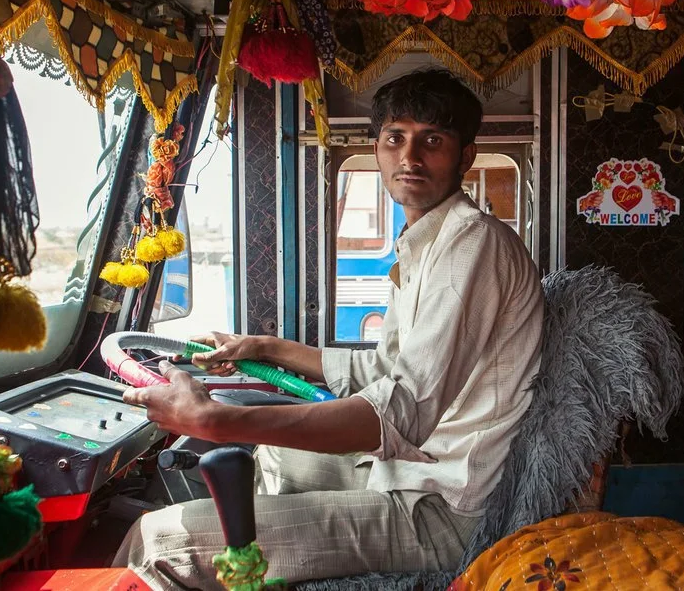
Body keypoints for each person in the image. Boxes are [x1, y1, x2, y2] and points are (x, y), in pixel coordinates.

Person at [114, 69, 545, 588]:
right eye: (395, 139)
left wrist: (214, 421)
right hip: (407, 470)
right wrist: (266, 347)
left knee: (157, 541)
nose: (410, 158)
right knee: (272, 456)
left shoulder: (473, 246)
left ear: (465, 156)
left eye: (432, 141)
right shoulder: (425, 243)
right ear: (379, 149)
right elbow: (382, 369)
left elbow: (402, 410)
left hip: (441, 508)